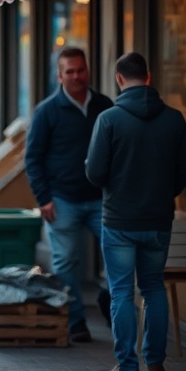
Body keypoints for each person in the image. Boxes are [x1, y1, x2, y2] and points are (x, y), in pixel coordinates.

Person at [85, 52, 186, 371]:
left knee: (121, 292)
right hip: (159, 220)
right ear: (148, 77)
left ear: (120, 79)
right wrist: (164, 192)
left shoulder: (109, 119)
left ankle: (128, 368)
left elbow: (93, 172)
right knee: (153, 288)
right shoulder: (174, 119)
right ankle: (156, 364)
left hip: (119, 221)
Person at [24, 46, 113, 343]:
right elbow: (33, 158)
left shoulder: (104, 106)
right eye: (70, 72)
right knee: (64, 263)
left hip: (103, 198)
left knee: (118, 255)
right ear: (59, 76)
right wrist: (43, 198)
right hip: (61, 200)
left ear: (88, 71)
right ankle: (76, 322)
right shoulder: (47, 111)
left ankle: (110, 301)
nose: (76, 76)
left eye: (81, 70)